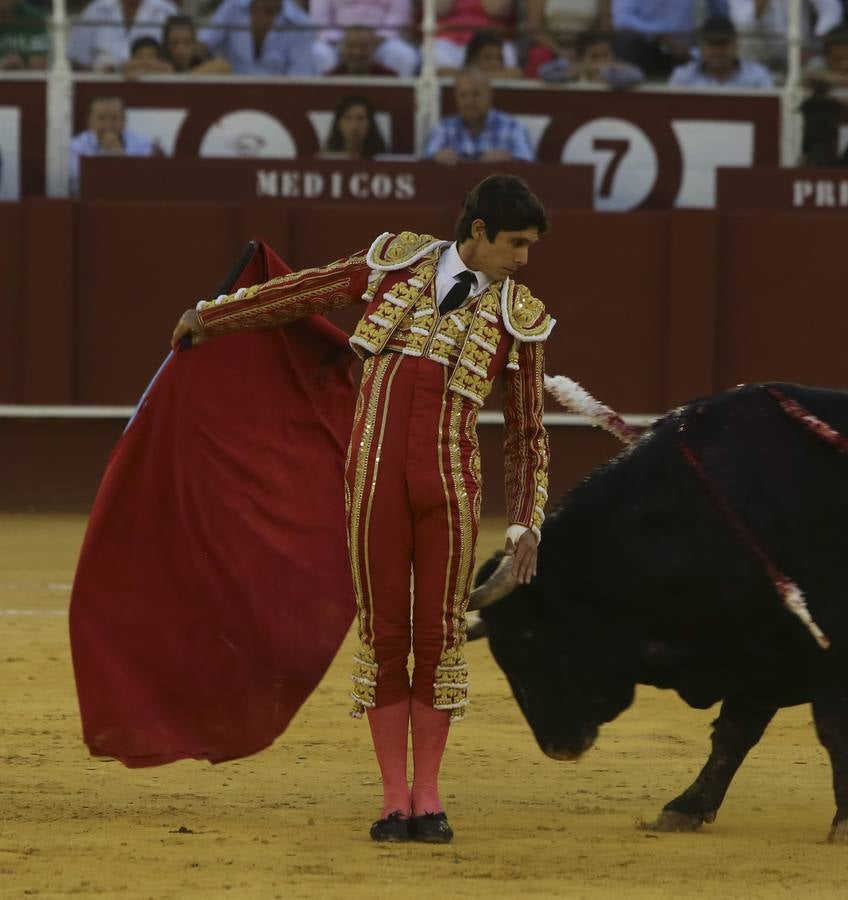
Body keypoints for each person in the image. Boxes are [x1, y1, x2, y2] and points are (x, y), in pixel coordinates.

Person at [167, 173, 554, 845]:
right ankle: (392, 801)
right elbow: (301, 293)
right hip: (373, 484)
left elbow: (526, 431)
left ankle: (428, 799)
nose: (524, 259)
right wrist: (210, 316)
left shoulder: (520, 318)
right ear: (480, 232)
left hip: (451, 495)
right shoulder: (393, 262)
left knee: (436, 640)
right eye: (516, 243)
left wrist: (525, 523)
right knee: (385, 636)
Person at [422, 68, 535, 164]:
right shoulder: (443, 128)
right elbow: (425, 161)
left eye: (476, 94)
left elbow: (529, 163)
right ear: (456, 99)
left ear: (489, 95)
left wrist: (509, 158)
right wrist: (437, 157)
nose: (469, 101)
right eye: (463, 96)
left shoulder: (513, 127)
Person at [198, 0, 320, 76]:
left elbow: (299, 76)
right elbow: (204, 42)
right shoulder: (232, 7)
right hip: (230, 91)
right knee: (218, 66)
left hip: (278, 98)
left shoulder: (301, 24)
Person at [69, 95, 159, 193]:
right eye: (101, 118)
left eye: (114, 118)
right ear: (90, 121)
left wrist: (121, 158)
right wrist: (105, 154)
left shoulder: (143, 144)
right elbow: (76, 184)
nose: (108, 124)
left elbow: (144, 182)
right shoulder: (76, 146)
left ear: (124, 121)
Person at [311, 0, 419, 78]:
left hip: (381, 40)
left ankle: (397, 103)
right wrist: (347, 38)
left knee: (404, 55)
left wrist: (378, 36)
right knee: (319, 53)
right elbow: (320, 19)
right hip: (338, 40)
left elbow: (399, 15)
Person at [68, 0, 180, 72]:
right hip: (102, 92)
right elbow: (78, 61)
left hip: (155, 92)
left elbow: (182, 59)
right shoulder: (96, 9)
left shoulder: (167, 11)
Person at [669, 14, 774, 89]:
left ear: (735, 45)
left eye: (723, 43)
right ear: (701, 46)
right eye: (712, 43)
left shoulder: (757, 77)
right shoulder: (683, 78)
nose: (718, 50)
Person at [609, 0, 695, 81]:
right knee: (628, 41)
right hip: (646, 42)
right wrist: (661, 36)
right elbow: (622, 21)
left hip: (686, 43)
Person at [432, 0, 517, 74]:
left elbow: (497, 9)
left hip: (491, 38)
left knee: (507, 54)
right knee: (435, 53)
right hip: (447, 40)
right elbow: (441, 8)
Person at [537, 30, 644, 88]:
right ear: (582, 57)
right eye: (594, 56)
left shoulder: (616, 71)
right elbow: (543, 72)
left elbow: (637, 76)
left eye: (605, 55)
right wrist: (576, 68)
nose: (600, 61)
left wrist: (607, 71)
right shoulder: (574, 72)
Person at [319, 94, 388, 159]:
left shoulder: (383, 159)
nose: (354, 126)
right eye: (348, 118)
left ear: (370, 124)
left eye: (360, 118)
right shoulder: (324, 159)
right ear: (338, 124)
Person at [327, 25, 399, 76]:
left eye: (364, 47)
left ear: (373, 48)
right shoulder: (328, 80)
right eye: (351, 46)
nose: (357, 52)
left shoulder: (390, 79)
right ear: (342, 48)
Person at [459, 28, 524, 78]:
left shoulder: (510, 75)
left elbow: (518, 73)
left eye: (499, 58)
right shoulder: (461, 75)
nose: (495, 63)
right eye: (487, 58)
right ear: (473, 60)